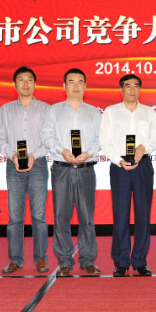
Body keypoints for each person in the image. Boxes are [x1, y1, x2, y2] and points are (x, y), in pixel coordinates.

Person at [42, 68, 102, 276]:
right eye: (71, 82)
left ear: (85, 86)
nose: (76, 86)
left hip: (86, 169)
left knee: (87, 218)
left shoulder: (94, 112)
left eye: (80, 82)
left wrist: (88, 153)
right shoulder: (54, 111)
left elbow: (100, 139)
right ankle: (65, 261)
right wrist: (62, 151)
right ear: (64, 85)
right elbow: (47, 136)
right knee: (61, 217)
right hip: (62, 169)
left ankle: (88, 260)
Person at [99, 74, 156, 277]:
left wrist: (144, 147)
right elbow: (105, 141)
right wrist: (118, 160)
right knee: (121, 214)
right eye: (128, 86)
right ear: (121, 89)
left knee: (143, 214)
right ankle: (121, 261)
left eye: (136, 86)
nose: (132, 89)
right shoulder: (111, 112)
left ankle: (140, 260)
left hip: (143, 164)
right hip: (119, 165)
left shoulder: (149, 112)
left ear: (140, 89)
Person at [0, 67, 51, 274]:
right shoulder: (5, 109)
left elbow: (49, 140)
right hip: (14, 165)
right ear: (14, 84)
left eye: (29, 80)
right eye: (21, 80)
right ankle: (15, 259)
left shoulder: (46, 109)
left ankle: (41, 258)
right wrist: (13, 155)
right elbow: (0, 138)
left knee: (39, 216)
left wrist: (33, 155)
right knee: (15, 217)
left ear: (35, 84)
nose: (26, 83)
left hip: (38, 165)